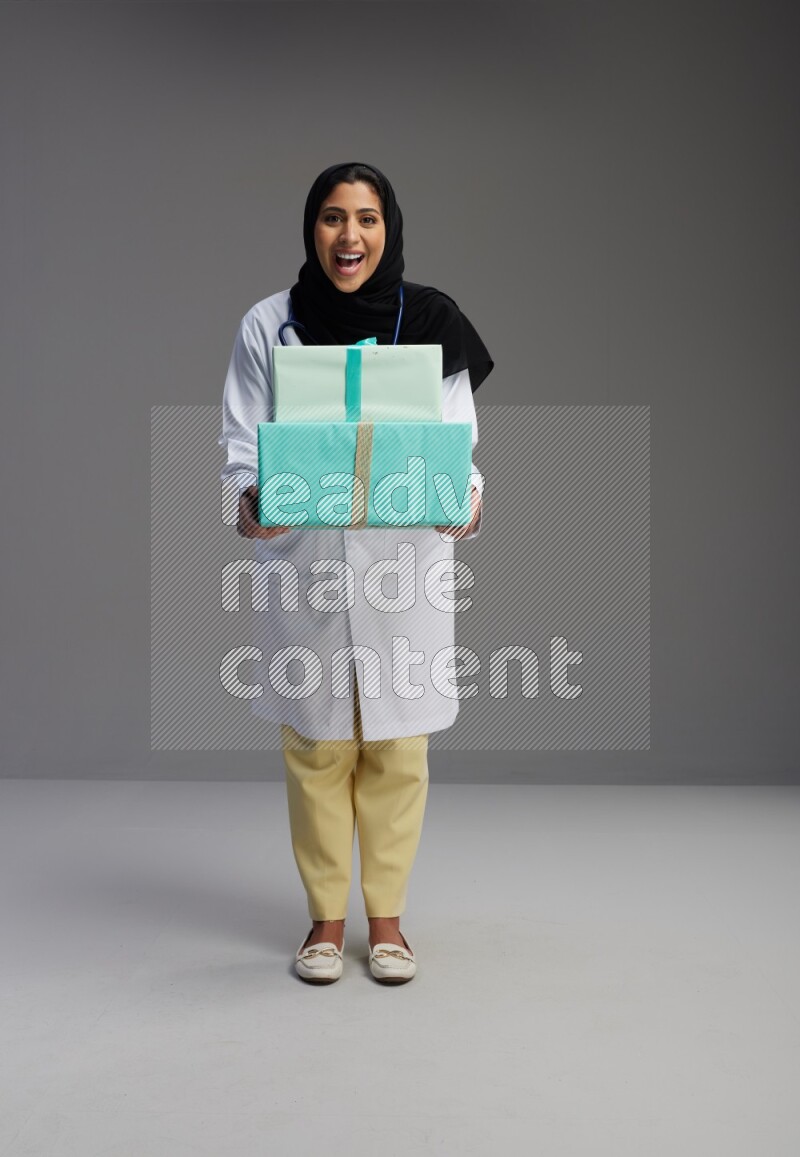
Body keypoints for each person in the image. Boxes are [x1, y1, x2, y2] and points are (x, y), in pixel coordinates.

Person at [218, 162, 493, 984]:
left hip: (403, 570)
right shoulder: (271, 325)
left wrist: (466, 503)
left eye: (367, 219)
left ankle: (390, 923)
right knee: (316, 750)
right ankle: (324, 922)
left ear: (389, 228)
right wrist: (249, 504)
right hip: (305, 566)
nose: (349, 236)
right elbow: (239, 448)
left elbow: (461, 448)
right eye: (333, 218)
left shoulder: (432, 319)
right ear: (312, 229)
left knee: (400, 753)